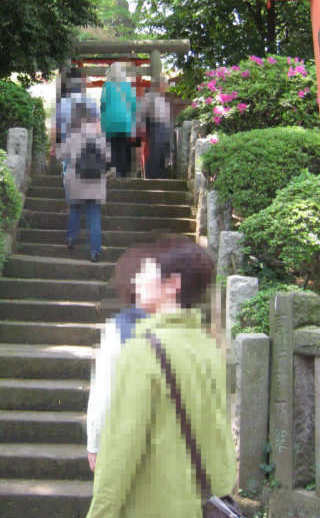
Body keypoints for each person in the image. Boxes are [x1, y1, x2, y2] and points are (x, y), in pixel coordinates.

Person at [85, 239, 235, 518]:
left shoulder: (142, 349)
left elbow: (121, 450)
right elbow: (220, 434)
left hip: (153, 504)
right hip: (203, 504)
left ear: (172, 283)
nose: (138, 279)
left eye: (147, 271)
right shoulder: (209, 345)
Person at [85, 247, 148, 472]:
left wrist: (95, 443)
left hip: (127, 437)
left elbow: (104, 389)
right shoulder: (188, 331)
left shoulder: (118, 329)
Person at [58, 103, 109, 262]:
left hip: (75, 180)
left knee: (75, 208)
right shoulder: (101, 138)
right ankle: (95, 251)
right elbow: (109, 158)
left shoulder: (73, 135)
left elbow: (62, 155)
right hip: (94, 180)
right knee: (94, 215)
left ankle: (71, 238)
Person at [100, 62, 137, 178]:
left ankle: (112, 168)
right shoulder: (128, 86)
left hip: (110, 122)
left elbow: (103, 104)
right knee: (123, 146)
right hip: (125, 122)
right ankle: (122, 171)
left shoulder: (107, 86)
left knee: (111, 146)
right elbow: (134, 105)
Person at [137, 79, 173, 179]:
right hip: (161, 130)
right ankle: (160, 174)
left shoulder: (145, 99)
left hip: (149, 131)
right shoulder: (161, 101)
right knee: (159, 154)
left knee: (149, 156)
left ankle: (149, 175)